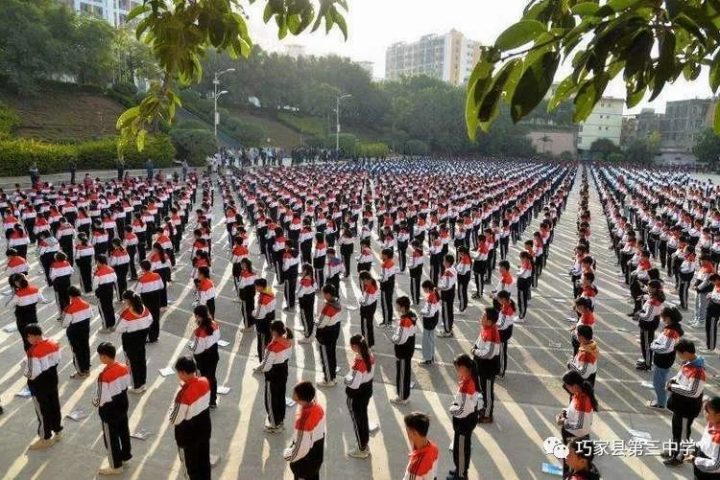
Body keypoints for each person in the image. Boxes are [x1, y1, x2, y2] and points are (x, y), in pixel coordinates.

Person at [664, 339, 706, 466]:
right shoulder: (687, 363)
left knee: (682, 433)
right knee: (676, 430)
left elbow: (694, 392)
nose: (678, 355)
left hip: (687, 408)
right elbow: (679, 377)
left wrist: (673, 388)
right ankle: (673, 451)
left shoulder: (698, 371)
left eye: (679, 353)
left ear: (687, 352)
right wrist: (672, 381)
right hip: (680, 405)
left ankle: (679, 457)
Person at [93, 342, 132, 475]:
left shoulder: (104, 376)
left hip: (109, 410)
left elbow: (102, 398)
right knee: (123, 431)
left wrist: (95, 402)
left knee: (111, 437)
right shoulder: (124, 367)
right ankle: (125, 456)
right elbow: (127, 383)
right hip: (122, 403)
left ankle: (115, 466)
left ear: (104, 357)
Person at [170, 356, 212, 480]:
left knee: (191, 469)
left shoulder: (183, 395)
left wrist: (172, 408)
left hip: (188, 436)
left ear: (182, 372)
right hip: (204, 430)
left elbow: (175, 419)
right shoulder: (205, 381)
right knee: (204, 463)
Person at [23, 324, 63, 450]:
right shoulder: (54, 342)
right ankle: (58, 431)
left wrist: (24, 370)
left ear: (33, 336)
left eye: (28, 337)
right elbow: (58, 359)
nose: (27, 339)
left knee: (42, 411)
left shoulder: (33, 351)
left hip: (39, 385)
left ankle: (45, 438)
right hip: (52, 378)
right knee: (54, 405)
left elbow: (33, 373)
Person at [255, 320, 293, 433]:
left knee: (271, 399)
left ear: (274, 332)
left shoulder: (272, 347)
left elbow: (266, 366)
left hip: (273, 374)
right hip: (283, 370)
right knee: (280, 396)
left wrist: (259, 368)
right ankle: (280, 420)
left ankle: (274, 423)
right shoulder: (288, 341)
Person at [556, 371, 598, 475]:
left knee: (571, 462)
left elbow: (579, 425)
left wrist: (563, 422)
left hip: (575, 436)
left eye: (567, 386)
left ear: (574, 386)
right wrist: (564, 413)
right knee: (571, 461)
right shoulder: (578, 394)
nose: (566, 388)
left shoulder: (583, 400)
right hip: (573, 435)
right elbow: (572, 410)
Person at [284, 381, 326, 480]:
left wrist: (287, 454)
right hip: (316, 456)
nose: (293, 393)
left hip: (304, 465)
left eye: (295, 393)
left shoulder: (303, 422)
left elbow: (301, 449)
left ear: (302, 399)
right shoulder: (318, 408)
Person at [448, 354, 479, 480]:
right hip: (466, 421)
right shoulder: (469, 379)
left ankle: (461, 475)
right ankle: (459, 470)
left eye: (458, 368)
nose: (457, 371)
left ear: (464, 368)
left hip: (464, 422)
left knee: (461, 450)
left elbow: (464, 409)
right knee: (461, 447)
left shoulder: (467, 385)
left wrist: (452, 409)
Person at [345, 334, 375, 459]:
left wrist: (346, 379)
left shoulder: (359, 363)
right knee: (363, 418)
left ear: (355, 346)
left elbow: (354, 384)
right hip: (367, 389)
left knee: (357, 421)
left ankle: (362, 448)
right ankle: (364, 443)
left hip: (357, 395)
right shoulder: (370, 355)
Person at [116, 291, 152, 393]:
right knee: (141, 362)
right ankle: (142, 383)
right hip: (141, 341)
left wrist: (120, 311)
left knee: (132, 364)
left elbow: (118, 328)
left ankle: (136, 386)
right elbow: (150, 320)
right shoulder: (144, 309)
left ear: (128, 301)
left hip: (130, 343)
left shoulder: (127, 314)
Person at [648, 306, 683, 409]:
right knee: (660, 381)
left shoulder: (671, 331)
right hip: (664, 359)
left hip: (663, 360)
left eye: (663, 317)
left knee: (658, 383)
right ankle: (661, 401)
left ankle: (661, 403)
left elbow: (666, 348)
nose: (662, 319)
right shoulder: (673, 328)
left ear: (668, 318)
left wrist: (653, 346)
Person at [472, 306, 501, 424]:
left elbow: (489, 353)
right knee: (483, 390)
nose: (481, 317)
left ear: (489, 321)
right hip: (482, 365)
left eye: (483, 316)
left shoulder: (492, 333)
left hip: (489, 368)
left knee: (487, 391)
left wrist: (475, 352)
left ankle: (488, 415)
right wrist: (475, 347)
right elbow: (479, 340)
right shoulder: (485, 327)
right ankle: (484, 409)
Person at [190, 305, 220, 409]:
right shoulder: (214, 324)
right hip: (214, 354)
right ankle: (212, 401)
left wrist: (192, 348)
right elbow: (218, 337)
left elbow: (197, 349)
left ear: (198, 316)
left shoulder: (199, 331)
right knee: (212, 378)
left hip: (203, 358)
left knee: (202, 378)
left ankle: (203, 400)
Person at [8, 273, 45, 351]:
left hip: (22, 321)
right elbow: (41, 300)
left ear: (17, 283)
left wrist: (14, 294)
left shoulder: (18, 295)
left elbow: (9, 306)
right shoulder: (36, 290)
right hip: (33, 319)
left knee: (27, 342)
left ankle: (31, 358)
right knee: (36, 339)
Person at [686, 396, 720, 479]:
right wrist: (695, 449)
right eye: (704, 409)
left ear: (718, 414)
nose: (704, 413)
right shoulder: (711, 423)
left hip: (711, 474)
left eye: (707, 411)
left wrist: (695, 460)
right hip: (701, 465)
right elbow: (704, 441)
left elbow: (716, 465)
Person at [391, 296, 416, 405]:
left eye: (397, 305)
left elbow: (401, 338)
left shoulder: (405, 320)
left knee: (402, 375)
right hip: (408, 350)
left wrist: (393, 339)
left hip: (403, 351)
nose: (395, 306)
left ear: (402, 307)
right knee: (405, 373)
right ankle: (404, 395)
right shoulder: (412, 315)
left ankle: (402, 397)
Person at [316, 284, 342, 387]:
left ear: (327, 294)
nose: (322, 295)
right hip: (334, 331)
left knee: (326, 358)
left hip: (326, 335)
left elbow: (320, 323)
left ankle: (328, 379)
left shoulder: (328, 307)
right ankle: (333, 376)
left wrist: (316, 320)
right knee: (332, 356)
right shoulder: (337, 302)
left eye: (323, 293)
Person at [63, 286, 92, 379]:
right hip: (85, 329)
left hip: (74, 332)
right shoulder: (87, 304)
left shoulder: (69, 308)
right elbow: (90, 315)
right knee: (85, 348)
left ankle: (81, 372)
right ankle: (87, 368)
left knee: (76, 351)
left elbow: (65, 324)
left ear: (70, 296)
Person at [401, 412, 439, 480]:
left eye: (407, 431)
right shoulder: (434, 448)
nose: (406, 434)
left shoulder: (415, 467)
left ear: (414, 433)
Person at [136, 260, 163, 343]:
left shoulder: (142, 279)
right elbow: (161, 286)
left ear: (143, 268)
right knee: (156, 317)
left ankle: (149, 337)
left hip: (146, 300)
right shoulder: (157, 275)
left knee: (147, 318)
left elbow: (137, 292)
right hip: (156, 299)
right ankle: (155, 336)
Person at [252, 278, 276, 361]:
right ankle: (264, 355)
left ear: (261, 287)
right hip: (270, 319)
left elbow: (260, 314)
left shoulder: (263, 298)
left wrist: (253, 314)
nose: (255, 288)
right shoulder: (269, 292)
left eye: (256, 286)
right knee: (268, 340)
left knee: (262, 342)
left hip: (263, 323)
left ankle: (262, 360)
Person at [94, 254, 118, 332]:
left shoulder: (98, 272)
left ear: (99, 262)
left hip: (101, 291)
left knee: (102, 309)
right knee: (110, 307)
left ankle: (106, 326)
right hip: (110, 290)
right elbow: (115, 279)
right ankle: (112, 324)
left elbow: (95, 285)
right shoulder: (111, 269)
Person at [419, 280, 440, 366]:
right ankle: (431, 357)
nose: (423, 290)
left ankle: (428, 359)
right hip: (434, 319)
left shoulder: (431, 297)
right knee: (431, 339)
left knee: (426, 340)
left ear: (427, 288)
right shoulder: (435, 293)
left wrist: (422, 312)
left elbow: (429, 312)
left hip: (429, 320)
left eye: (424, 289)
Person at [49, 251, 74, 321]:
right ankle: (69, 313)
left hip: (58, 285)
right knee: (67, 298)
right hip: (67, 283)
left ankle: (62, 315)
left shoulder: (53, 265)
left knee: (60, 300)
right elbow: (72, 271)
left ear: (57, 258)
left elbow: (52, 276)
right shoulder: (67, 263)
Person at [438, 254, 457, 338]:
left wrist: (439, 288)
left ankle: (447, 331)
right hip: (451, 292)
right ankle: (449, 327)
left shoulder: (448, 271)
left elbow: (446, 285)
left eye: (444, 261)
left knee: (445, 312)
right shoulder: (452, 269)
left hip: (447, 293)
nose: (443, 262)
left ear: (448, 262)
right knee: (449, 311)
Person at [357, 271, 378, 348]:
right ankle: (370, 342)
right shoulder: (373, 283)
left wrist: (360, 300)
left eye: (362, 281)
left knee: (365, 327)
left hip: (367, 309)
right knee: (369, 326)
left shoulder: (369, 288)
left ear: (365, 279)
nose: (362, 283)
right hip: (372, 306)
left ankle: (366, 344)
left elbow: (365, 302)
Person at [296, 263, 316, 342]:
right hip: (311, 299)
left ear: (306, 271)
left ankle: (307, 335)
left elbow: (299, 294)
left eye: (303, 269)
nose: (302, 271)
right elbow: (316, 287)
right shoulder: (312, 278)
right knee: (310, 316)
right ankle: (309, 331)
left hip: (304, 301)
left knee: (305, 317)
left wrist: (297, 292)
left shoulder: (305, 281)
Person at [379, 248, 398, 327]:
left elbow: (384, 277)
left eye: (383, 254)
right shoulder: (392, 263)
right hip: (390, 285)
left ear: (386, 256)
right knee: (389, 303)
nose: (381, 256)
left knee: (385, 304)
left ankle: (386, 322)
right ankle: (389, 319)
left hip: (385, 286)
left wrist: (379, 279)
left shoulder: (385, 265)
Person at [237, 258, 257, 330]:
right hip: (252, 290)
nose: (241, 265)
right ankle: (252, 322)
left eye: (241, 264)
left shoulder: (245, 273)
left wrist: (238, 283)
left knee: (245, 310)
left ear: (244, 264)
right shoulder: (253, 270)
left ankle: (247, 326)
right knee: (251, 307)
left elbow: (241, 285)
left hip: (246, 293)